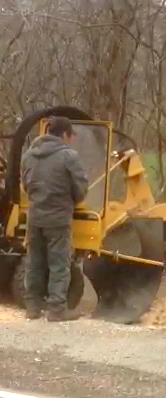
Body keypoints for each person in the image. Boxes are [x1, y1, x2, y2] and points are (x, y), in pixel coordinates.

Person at [21, 116, 89, 322]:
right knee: (59, 263)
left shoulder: (29, 155)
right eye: (70, 136)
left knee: (34, 262)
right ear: (65, 134)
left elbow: (26, 185)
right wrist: (72, 200)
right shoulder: (69, 156)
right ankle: (56, 310)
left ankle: (32, 307)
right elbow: (81, 188)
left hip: (35, 217)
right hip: (58, 218)